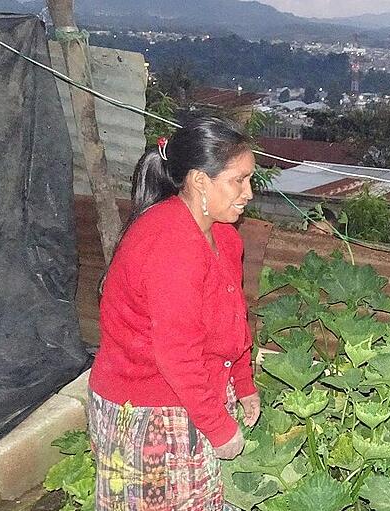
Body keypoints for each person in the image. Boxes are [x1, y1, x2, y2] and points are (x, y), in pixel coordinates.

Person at [88, 117, 261, 510]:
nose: (248, 193)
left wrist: (243, 380)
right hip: (149, 411)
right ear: (200, 180)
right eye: (239, 180)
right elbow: (177, 355)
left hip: (191, 395)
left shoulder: (223, 236)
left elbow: (233, 318)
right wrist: (218, 428)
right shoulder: (171, 244)